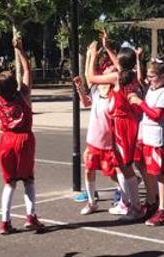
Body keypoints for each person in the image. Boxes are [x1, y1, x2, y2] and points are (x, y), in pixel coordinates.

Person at [0, 36, 45, 235]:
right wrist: (20, 50)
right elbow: (27, 70)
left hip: (6, 140)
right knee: (28, 179)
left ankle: (5, 221)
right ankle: (31, 216)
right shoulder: (23, 95)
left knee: (9, 182)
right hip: (24, 139)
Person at [86, 41, 146, 222]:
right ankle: (131, 204)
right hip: (129, 123)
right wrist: (108, 48)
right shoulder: (133, 76)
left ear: (120, 63)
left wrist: (93, 56)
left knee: (125, 167)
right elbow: (122, 64)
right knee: (124, 166)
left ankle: (136, 208)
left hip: (122, 125)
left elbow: (90, 78)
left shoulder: (117, 78)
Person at [72, 50, 121, 215]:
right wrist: (80, 89)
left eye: (111, 68)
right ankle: (92, 202)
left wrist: (94, 54)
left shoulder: (116, 94)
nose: (107, 68)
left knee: (113, 173)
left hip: (109, 143)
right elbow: (86, 103)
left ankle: (126, 195)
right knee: (89, 170)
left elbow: (119, 69)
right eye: (106, 67)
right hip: (94, 141)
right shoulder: (96, 90)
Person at [131, 60, 164, 226]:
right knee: (147, 170)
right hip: (148, 137)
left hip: (160, 139)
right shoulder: (152, 89)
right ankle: (151, 202)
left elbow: (157, 115)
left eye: (152, 76)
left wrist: (139, 103)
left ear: (162, 77)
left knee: (161, 174)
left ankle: (163, 209)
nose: (148, 80)